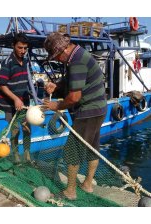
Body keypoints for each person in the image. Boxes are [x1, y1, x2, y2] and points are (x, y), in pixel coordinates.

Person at [43, 32, 107, 200]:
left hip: (88, 111)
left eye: (56, 57)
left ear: (63, 50)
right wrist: (56, 86)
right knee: (93, 147)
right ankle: (87, 184)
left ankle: (70, 192)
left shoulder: (76, 61)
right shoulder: (78, 53)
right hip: (98, 110)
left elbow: (74, 97)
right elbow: (72, 80)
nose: (57, 60)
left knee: (72, 150)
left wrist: (56, 105)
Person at [0, 32, 31, 164]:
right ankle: (16, 156)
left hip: (24, 101)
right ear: (13, 46)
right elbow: (2, 85)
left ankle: (27, 155)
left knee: (27, 128)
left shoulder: (26, 60)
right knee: (15, 130)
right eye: (20, 48)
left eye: (25, 48)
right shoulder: (8, 62)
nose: (23, 51)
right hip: (10, 103)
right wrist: (15, 99)